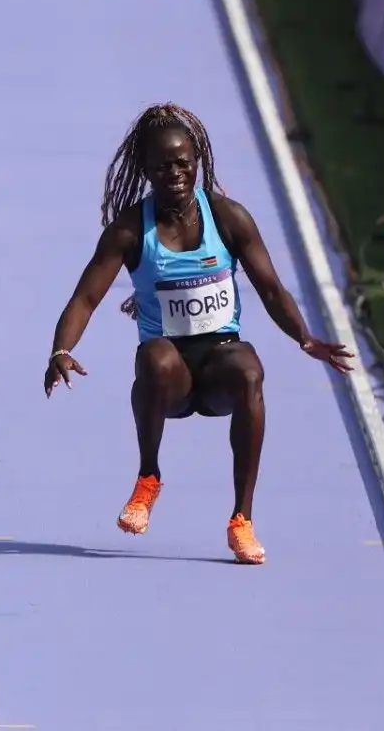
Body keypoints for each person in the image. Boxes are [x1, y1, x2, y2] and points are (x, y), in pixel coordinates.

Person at [42, 103, 353, 565]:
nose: (175, 173)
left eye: (184, 163)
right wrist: (61, 348)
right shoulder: (130, 231)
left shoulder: (229, 218)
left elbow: (271, 288)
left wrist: (303, 338)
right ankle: (148, 479)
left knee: (250, 369)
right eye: (163, 165)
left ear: (197, 162)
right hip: (172, 382)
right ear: (146, 170)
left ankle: (241, 521)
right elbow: (85, 298)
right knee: (153, 357)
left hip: (219, 364)